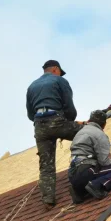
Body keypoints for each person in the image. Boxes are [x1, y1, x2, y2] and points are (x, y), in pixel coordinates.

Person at [26, 60, 83, 210]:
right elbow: (69, 106)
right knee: (86, 132)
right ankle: (93, 166)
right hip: (56, 119)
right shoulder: (60, 80)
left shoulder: (32, 86)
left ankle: (48, 200)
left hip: (39, 126)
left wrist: (42, 122)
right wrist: (69, 123)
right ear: (56, 69)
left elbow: (30, 114)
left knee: (46, 165)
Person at [68, 110, 111, 203]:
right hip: (87, 170)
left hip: (72, 174)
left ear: (89, 120)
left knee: (91, 175)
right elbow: (104, 161)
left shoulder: (80, 133)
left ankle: (79, 190)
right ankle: (96, 186)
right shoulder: (99, 134)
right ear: (104, 124)